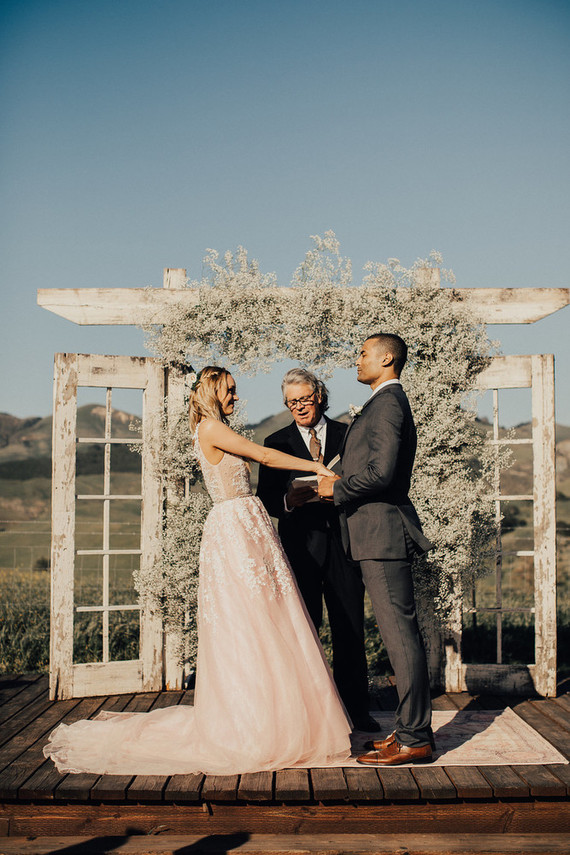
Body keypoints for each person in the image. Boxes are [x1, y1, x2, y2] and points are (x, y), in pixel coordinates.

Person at [43, 366, 352, 775]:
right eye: (231, 391)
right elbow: (263, 455)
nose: (236, 398)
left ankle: (277, 718)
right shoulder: (210, 428)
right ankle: (251, 726)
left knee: (267, 621)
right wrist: (316, 467)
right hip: (235, 531)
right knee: (249, 622)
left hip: (248, 528)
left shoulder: (216, 427)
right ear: (212, 391)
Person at [318, 334, 435, 766]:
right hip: (374, 535)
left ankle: (415, 737)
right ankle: (407, 731)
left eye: (363, 352)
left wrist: (337, 489)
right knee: (397, 635)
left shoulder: (387, 403)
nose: (357, 358)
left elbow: (383, 473)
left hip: (383, 534)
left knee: (400, 638)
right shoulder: (382, 402)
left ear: (386, 358)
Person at [257, 368, 377, 732]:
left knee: (350, 630)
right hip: (300, 551)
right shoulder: (274, 443)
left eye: (304, 400)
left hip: (344, 545)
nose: (298, 408)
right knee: (303, 631)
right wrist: (288, 500)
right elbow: (266, 501)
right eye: (291, 402)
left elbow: (364, 482)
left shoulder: (348, 434)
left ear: (320, 397)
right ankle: (306, 714)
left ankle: (356, 711)